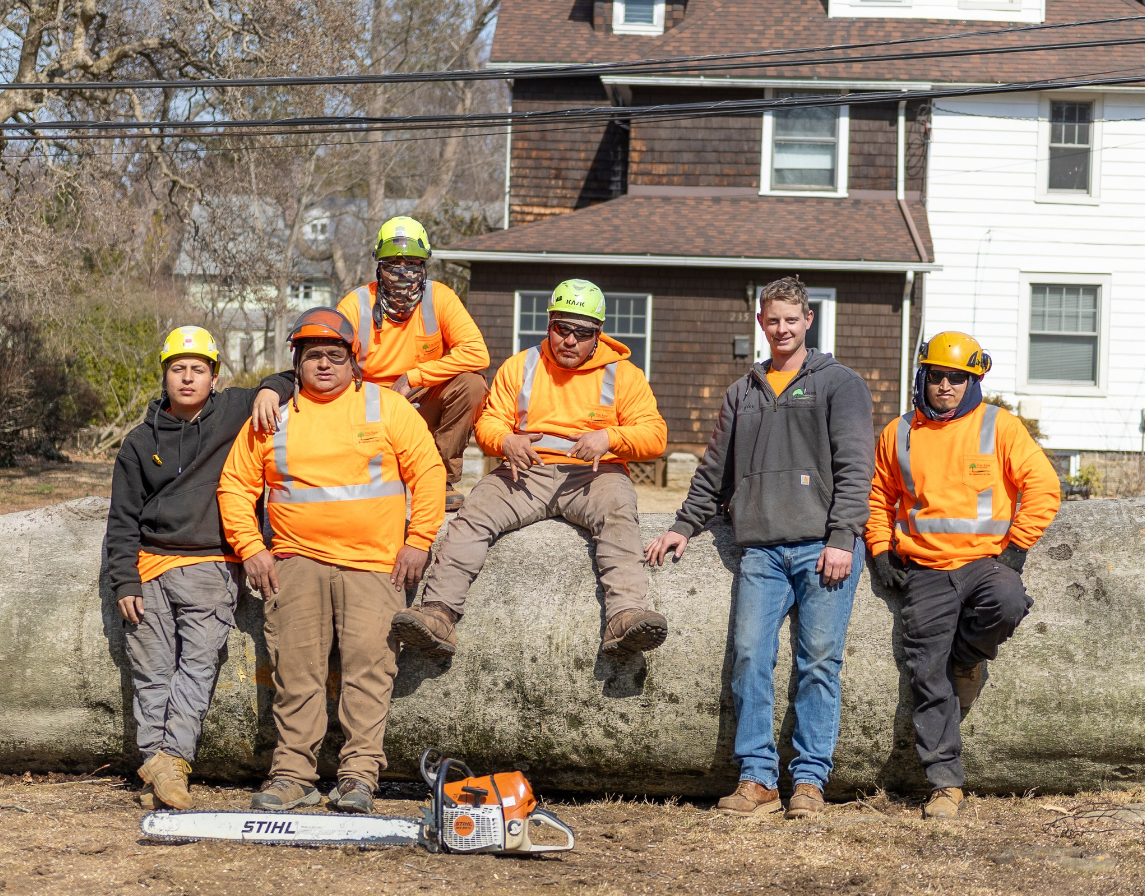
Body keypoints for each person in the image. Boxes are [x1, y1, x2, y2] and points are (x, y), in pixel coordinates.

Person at [646, 276, 874, 820]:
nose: (782, 329)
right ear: (761, 323)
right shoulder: (741, 392)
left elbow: (855, 465)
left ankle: (811, 782)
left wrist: (843, 537)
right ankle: (757, 780)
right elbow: (713, 471)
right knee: (750, 657)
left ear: (808, 320)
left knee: (818, 662)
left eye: (791, 319)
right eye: (773, 320)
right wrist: (684, 524)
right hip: (762, 553)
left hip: (824, 547)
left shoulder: (840, 384)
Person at [218, 307, 445, 813]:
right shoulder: (270, 418)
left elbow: (427, 471)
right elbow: (235, 486)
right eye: (313, 355)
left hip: (374, 563)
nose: (324, 364)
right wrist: (251, 548)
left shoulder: (384, 407)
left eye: (334, 356)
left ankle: (359, 777)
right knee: (296, 671)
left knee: (370, 668)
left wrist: (419, 538)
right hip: (296, 562)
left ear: (353, 360)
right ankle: (293, 774)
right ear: (296, 363)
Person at [390, 278, 669, 659]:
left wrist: (610, 438)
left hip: (594, 475)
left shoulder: (624, 375)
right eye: (561, 328)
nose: (569, 340)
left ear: (598, 335)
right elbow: (489, 422)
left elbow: (655, 436)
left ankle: (625, 617)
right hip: (525, 473)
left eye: (582, 332)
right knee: (475, 512)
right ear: (549, 324)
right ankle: (438, 613)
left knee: (619, 513)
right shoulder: (521, 366)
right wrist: (506, 442)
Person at [866, 331, 1060, 819]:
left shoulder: (999, 426)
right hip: (925, 569)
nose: (946, 386)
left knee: (1010, 601)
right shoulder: (899, 432)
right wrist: (881, 547)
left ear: (974, 379)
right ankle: (945, 784)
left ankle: (968, 659)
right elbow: (877, 498)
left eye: (958, 378)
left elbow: (1043, 486)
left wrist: (1015, 550)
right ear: (924, 378)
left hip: (983, 564)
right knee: (926, 672)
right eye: (937, 377)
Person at [106, 326, 293, 810]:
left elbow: (290, 376)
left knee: (197, 667)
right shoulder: (139, 441)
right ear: (165, 376)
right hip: (149, 566)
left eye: (198, 369)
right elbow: (122, 518)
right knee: (151, 671)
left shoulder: (232, 411)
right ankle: (160, 767)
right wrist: (125, 578)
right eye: (177, 369)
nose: (187, 378)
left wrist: (271, 389)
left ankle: (172, 762)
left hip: (212, 565)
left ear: (214, 376)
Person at [253, 216, 488, 512]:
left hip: (421, 400)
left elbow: (478, 353)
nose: (403, 272)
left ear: (425, 264)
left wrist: (414, 377)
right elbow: (318, 360)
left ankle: (440, 479)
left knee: (471, 384)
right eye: (393, 263)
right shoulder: (355, 305)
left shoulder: (440, 298)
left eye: (412, 263)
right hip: (369, 409)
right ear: (378, 265)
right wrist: (271, 387)